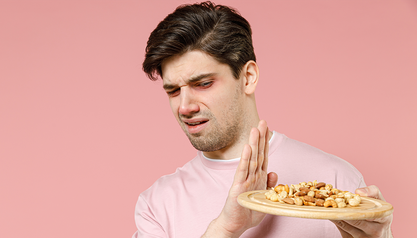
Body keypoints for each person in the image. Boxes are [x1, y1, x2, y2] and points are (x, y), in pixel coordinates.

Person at [134, 2, 393, 237]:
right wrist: (226, 228)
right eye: (173, 91)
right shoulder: (157, 205)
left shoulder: (336, 179)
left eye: (203, 83)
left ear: (248, 77)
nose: (185, 106)